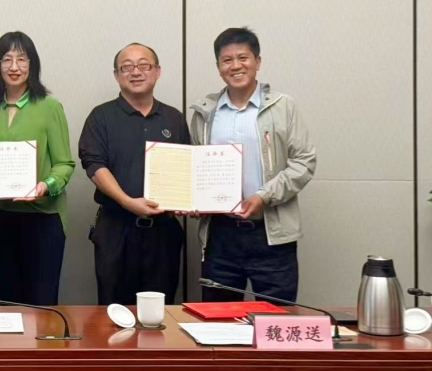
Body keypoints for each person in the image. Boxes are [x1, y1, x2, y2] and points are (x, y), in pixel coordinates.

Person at [189, 27, 316, 303]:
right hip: (220, 236)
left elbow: (304, 162)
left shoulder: (283, 106)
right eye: (227, 60)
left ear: (257, 61)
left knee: (276, 319)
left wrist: (264, 196)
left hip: (272, 234)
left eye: (243, 58)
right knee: (217, 319)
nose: (235, 66)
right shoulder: (204, 113)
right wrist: (195, 199)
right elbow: (196, 168)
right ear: (218, 67)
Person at [79, 43, 190, 306]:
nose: (136, 72)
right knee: (114, 311)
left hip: (163, 232)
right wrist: (127, 201)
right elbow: (93, 164)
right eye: (127, 67)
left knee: (161, 311)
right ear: (116, 75)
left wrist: (187, 201)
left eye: (144, 65)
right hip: (116, 230)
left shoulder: (174, 118)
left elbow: (186, 167)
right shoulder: (101, 117)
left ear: (157, 71)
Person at [0, 31, 75, 306]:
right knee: (9, 300)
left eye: (21, 59)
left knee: (42, 303)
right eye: (6, 59)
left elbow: (65, 164)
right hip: (0, 216)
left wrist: (46, 185)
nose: (14, 66)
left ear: (32, 64)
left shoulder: (50, 106)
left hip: (42, 217)